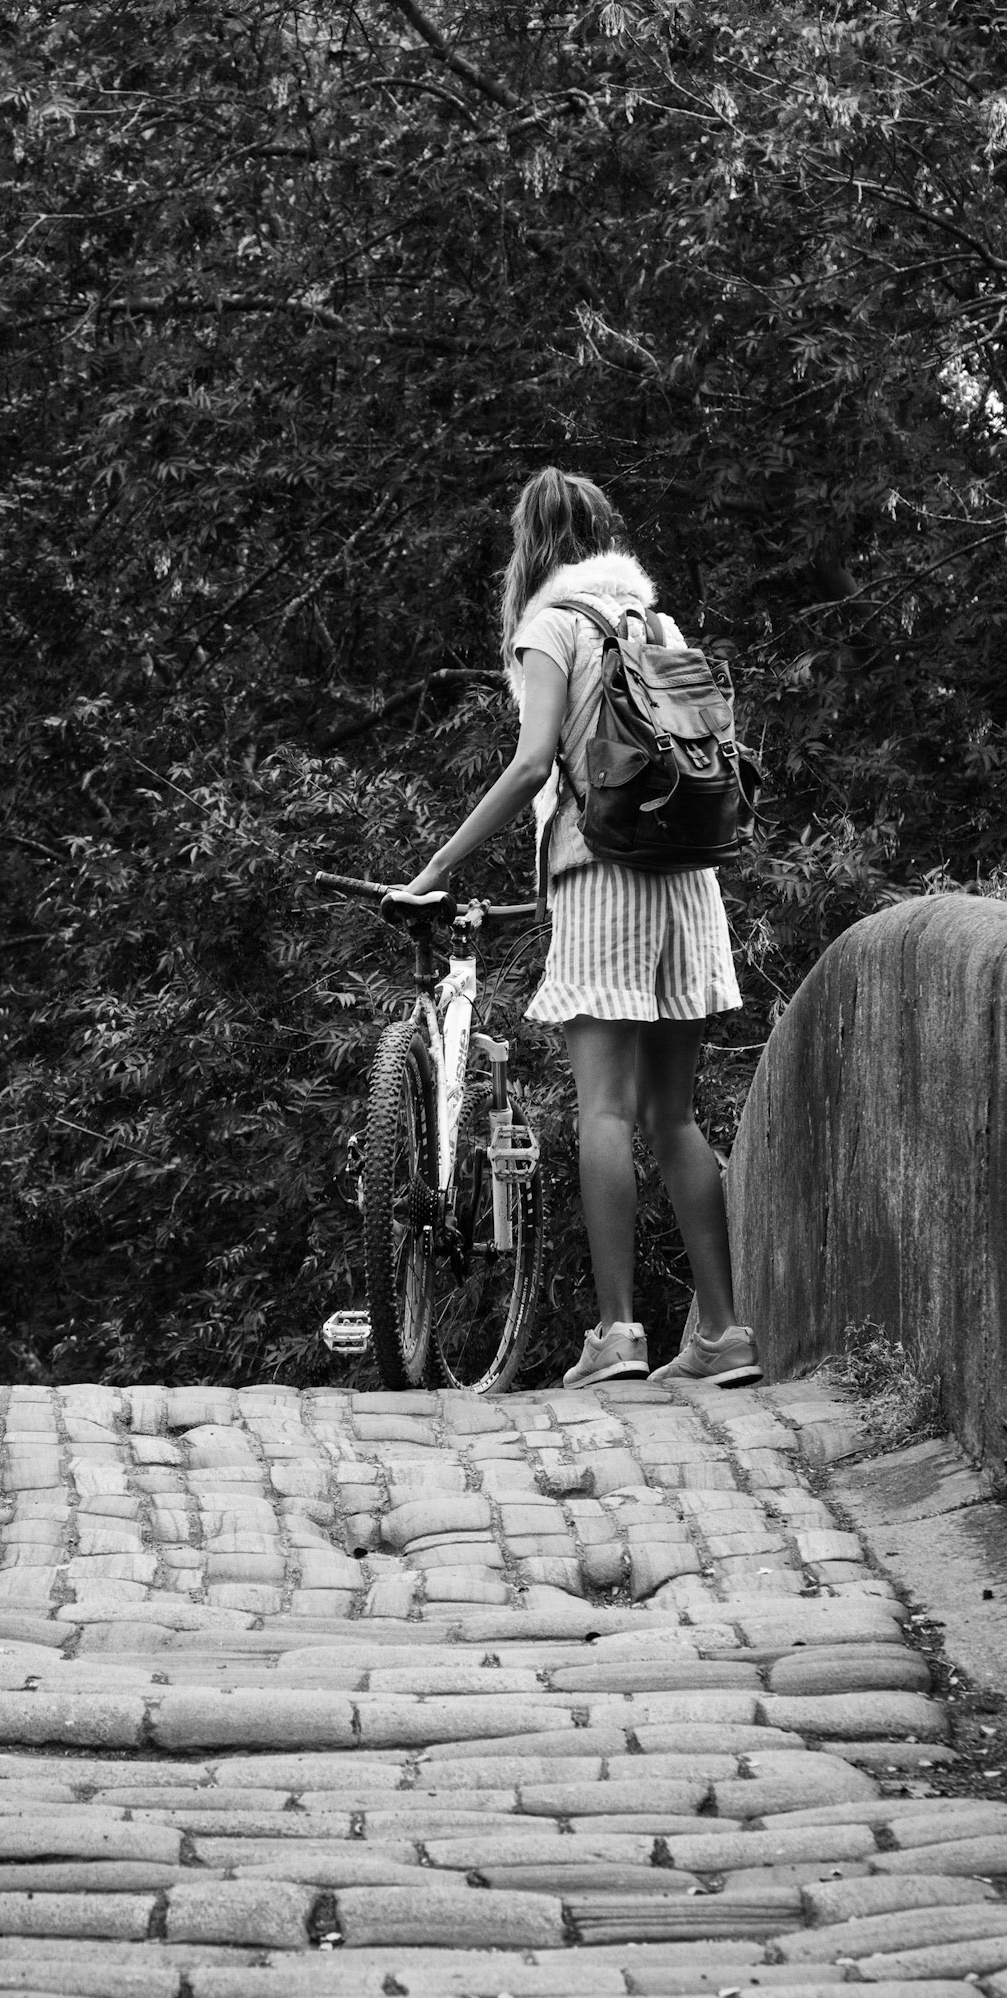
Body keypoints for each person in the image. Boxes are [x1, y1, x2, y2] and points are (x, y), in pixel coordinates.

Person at [391, 465, 759, 1389]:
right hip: (687, 880)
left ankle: (617, 1334)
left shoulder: (549, 626)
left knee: (604, 1109)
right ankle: (722, 1335)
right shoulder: (657, 627)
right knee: (673, 1115)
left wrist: (434, 869)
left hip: (602, 876)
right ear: (604, 538)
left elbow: (530, 766)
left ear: (529, 549)